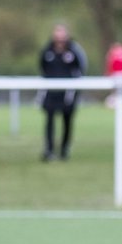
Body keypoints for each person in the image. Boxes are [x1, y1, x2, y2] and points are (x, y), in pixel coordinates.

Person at [38, 24, 87, 161]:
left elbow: (81, 68)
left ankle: (64, 150)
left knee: (67, 121)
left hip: (67, 94)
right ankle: (49, 150)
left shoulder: (74, 51)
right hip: (51, 92)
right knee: (49, 120)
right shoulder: (47, 51)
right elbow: (42, 67)